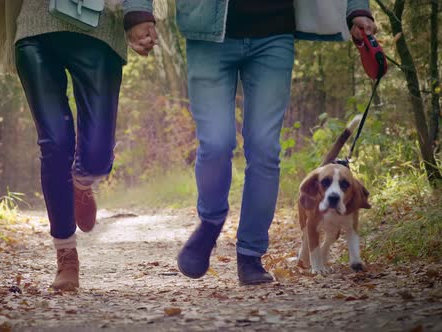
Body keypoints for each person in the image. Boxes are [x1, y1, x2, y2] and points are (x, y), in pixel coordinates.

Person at [124, 0, 377, 285]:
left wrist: (356, 9)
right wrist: (138, 11)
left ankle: (251, 254)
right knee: (217, 143)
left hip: (274, 34)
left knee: (265, 149)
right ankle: (210, 223)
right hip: (207, 33)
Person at [0, 0, 156, 291]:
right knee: (54, 143)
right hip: (34, 25)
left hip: (100, 28)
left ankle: (82, 179)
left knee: (97, 156)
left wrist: (138, 14)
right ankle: (66, 254)